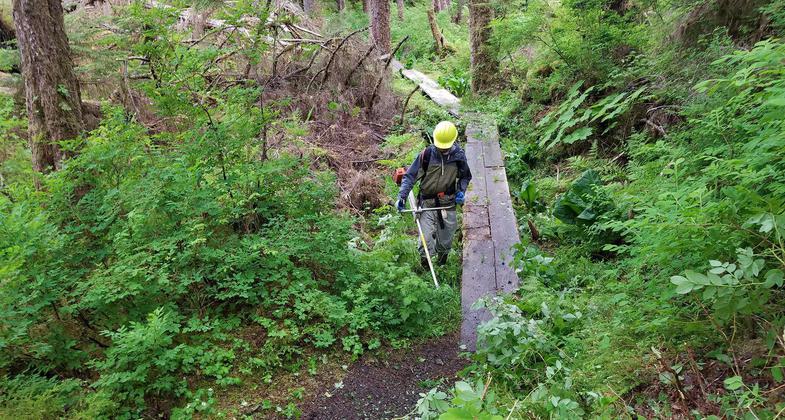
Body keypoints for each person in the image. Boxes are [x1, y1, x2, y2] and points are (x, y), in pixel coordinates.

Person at [397, 121, 472, 267]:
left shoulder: (459, 156)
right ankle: (426, 267)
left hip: (448, 202)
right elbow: (410, 176)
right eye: (440, 147)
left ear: (453, 141)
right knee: (425, 239)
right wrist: (402, 197)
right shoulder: (427, 155)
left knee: (446, 239)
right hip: (427, 203)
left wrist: (461, 191)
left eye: (445, 147)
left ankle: (442, 265)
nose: (442, 150)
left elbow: (465, 176)